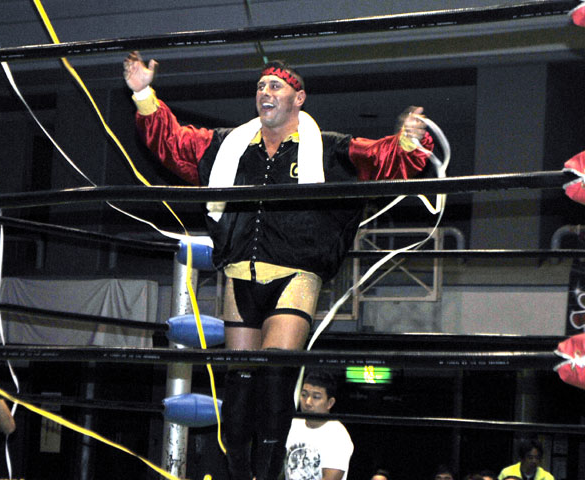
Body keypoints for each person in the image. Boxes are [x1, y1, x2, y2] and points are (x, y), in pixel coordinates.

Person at [123, 52, 433, 480]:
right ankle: (239, 474)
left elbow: (380, 158)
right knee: (238, 389)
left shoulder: (327, 148)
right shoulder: (229, 145)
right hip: (239, 274)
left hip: (295, 274)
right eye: (260, 86)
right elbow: (174, 143)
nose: (264, 92)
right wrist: (143, 93)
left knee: (273, 378)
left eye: (275, 86)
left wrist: (409, 140)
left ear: (298, 98)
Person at [284, 370, 353, 480]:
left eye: (316, 397)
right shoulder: (292, 424)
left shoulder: (338, 435)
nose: (308, 402)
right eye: (304, 395)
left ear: (330, 403)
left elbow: (330, 478)